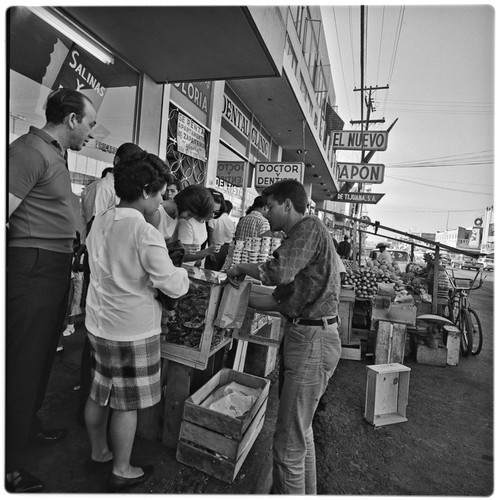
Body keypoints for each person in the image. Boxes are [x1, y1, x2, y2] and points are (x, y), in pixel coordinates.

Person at [7, 88, 97, 493]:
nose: (91, 133)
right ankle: (7, 461)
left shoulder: (55, 154)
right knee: (21, 361)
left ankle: (25, 428)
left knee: (41, 356)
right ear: (71, 119)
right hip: (33, 266)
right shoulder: (28, 150)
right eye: (89, 124)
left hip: (54, 266)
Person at [226, 179, 342, 494]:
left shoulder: (307, 228)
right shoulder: (302, 237)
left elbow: (276, 273)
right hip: (308, 334)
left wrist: (241, 268)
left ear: (287, 205)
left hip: (312, 341)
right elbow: (277, 300)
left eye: (272, 206)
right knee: (299, 434)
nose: (268, 214)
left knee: (287, 445)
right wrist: (232, 295)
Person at [84, 151, 190, 492]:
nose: (162, 201)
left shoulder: (101, 220)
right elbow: (171, 283)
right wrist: (182, 273)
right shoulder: (143, 232)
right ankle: (122, 468)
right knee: (126, 403)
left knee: (100, 391)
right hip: (132, 329)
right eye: (160, 194)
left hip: (98, 323)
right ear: (146, 190)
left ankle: (99, 452)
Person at [76, 142, 145, 426]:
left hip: (105, 267)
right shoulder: (105, 188)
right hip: (101, 266)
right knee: (97, 335)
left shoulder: (118, 191)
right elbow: (97, 229)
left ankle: (94, 396)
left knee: (100, 335)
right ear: (118, 162)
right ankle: (89, 394)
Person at [174, 184, 217, 267]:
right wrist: (207, 251)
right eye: (211, 211)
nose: (212, 215)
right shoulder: (186, 223)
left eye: (216, 212)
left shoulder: (203, 221)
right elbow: (182, 255)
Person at [205, 200, 236, 271]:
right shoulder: (231, 223)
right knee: (221, 273)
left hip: (215, 248)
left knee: (210, 272)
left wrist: (210, 251)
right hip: (227, 249)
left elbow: (211, 234)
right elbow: (232, 238)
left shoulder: (214, 219)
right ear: (230, 210)